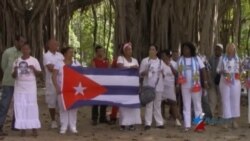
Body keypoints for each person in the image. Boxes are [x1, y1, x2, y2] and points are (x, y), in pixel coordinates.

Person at [12, 43, 41, 137]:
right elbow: (13, 76)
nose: (25, 51)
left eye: (27, 49)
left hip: (30, 87)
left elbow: (39, 74)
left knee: (32, 106)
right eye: (23, 49)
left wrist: (34, 69)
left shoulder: (34, 60)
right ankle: (23, 128)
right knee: (21, 107)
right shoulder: (17, 61)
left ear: (30, 50)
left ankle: (34, 128)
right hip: (19, 88)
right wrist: (16, 70)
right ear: (21, 50)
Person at [177, 42, 208, 131]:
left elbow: (203, 70)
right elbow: (177, 73)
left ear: (191, 50)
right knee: (186, 105)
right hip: (184, 85)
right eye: (183, 49)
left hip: (196, 86)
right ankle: (187, 125)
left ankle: (199, 126)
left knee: (197, 105)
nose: (185, 50)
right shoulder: (180, 60)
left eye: (187, 48)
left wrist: (205, 81)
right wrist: (177, 84)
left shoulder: (197, 59)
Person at [0, 35, 26, 137]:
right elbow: (3, 66)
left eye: (24, 42)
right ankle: (0, 125)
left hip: (20, 84)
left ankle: (15, 124)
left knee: (19, 104)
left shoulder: (24, 54)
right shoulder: (8, 52)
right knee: (5, 104)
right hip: (8, 82)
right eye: (21, 42)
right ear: (16, 41)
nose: (22, 44)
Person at [52, 47, 80, 134]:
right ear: (64, 54)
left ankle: (73, 126)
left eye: (73, 52)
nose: (72, 54)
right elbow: (53, 76)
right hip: (62, 89)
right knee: (63, 107)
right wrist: (57, 87)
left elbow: (81, 75)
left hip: (74, 89)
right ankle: (64, 126)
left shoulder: (76, 63)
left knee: (73, 107)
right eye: (70, 52)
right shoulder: (59, 63)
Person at [117, 42, 141, 131]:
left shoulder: (135, 60)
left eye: (130, 49)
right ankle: (123, 124)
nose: (129, 51)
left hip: (133, 86)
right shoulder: (121, 58)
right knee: (123, 105)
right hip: (123, 85)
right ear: (124, 51)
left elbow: (137, 71)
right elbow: (120, 67)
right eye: (127, 49)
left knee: (132, 105)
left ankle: (131, 124)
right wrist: (131, 68)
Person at [140, 45, 165, 130]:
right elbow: (140, 73)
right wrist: (146, 71)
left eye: (153, 49)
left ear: (156, 51)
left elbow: (164, 74)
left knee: (157, 104)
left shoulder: (161, 62)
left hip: (158, 85)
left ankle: (159, 122)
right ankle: (148, 123)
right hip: (148, 85)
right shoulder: (145, 61)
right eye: (150, 49)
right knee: (149, 104)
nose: (151, 51)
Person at [216, 43, 241, 129]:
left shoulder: (238, 59)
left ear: (235, 50)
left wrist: (240, 74)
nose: (231, 50)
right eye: (229, 48)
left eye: (232, 48)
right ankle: (226, 122)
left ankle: (234, 121)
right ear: (227, 49)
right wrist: (223, 72)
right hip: (225, 81)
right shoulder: (222, 58)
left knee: (235, 101)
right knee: (225, 101)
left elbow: (241, 70)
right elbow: (218, 70)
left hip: (235, 82)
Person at [43, 39, 64, 129]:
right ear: (49, 45)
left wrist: (56, 66)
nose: (56, 45)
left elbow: (65, 66)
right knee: (52, 102)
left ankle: (62, 120)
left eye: (57, 43)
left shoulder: (60, 55)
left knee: (61, 102)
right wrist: (59, 67)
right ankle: (53, 121)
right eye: (54, 44)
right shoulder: (46, 55)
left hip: (61, 82)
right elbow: (50, 68)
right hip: (51, 83)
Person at [160, 50, 182, 127]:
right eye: (163, 56)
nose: (164, 57)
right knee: (161, 102)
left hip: (170, 86)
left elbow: (177, 74)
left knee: (173, 102)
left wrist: (177, 85)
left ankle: (177, 119)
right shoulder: (159, 63)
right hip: (161, 85)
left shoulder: (174, 64)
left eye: (166, 56)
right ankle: (162, 118)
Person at [91, 45, 110, 125]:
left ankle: (103, 117)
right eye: (99, 51)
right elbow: (94, 70)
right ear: (96, 52)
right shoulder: (93, 60)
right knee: (95, 101)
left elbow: (109, 70)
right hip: (96, 83)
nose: (101, 52)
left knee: (104, 100)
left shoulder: (107, 60)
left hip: (105, 82)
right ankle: (94, 118)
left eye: (102, 51)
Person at [208, 44, 223, 117]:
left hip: (222, 82)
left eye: (218, 49)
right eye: (216, 49)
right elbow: (208, 69)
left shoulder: (224, 59)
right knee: (212, 99)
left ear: (221, 51)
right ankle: (211, 115)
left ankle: (220, 115)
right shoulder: (211, 59)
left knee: (221, 99)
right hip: (212, 82)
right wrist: (208, 80)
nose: (217, 51)